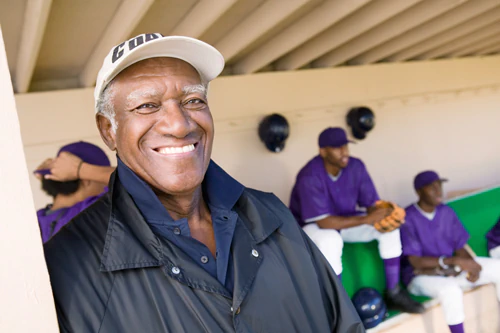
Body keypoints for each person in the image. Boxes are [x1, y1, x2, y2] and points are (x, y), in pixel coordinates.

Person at [43, 33, 364, 332]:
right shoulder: (68, 265)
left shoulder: (270, 214)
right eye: (147, 105)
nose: (179, 124)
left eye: (193, 100)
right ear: (108, 130)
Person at [289, 127, 424, 314]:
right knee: (331, 240)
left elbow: (370, 204)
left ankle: (393, 293)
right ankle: (339, 307)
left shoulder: (355, 166)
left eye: (345, 146)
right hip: (311, 227)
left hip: (347, 220)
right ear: (323, 151)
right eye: (337, 148)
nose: (344, 151)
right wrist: (368, 218)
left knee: (389, 229)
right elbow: (324, 222)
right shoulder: (309, 175)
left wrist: (383, 213)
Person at [400, 170, 500, 333]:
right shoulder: (408, 218)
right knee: (450, 290)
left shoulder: (446, 212)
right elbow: (415, 262)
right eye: (431, 187)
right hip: (420, 277)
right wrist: (454, 261)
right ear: (419, 191)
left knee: (498, 268)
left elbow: (460, 247)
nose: (438, 190)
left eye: (439, 185)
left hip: (450, 271)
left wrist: (471, 265)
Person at [35, 141, 113, 243]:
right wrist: (81, 169)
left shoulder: (35, 219)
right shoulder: (95, 211)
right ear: (86, 180)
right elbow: (133, 180)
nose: (107, 187)